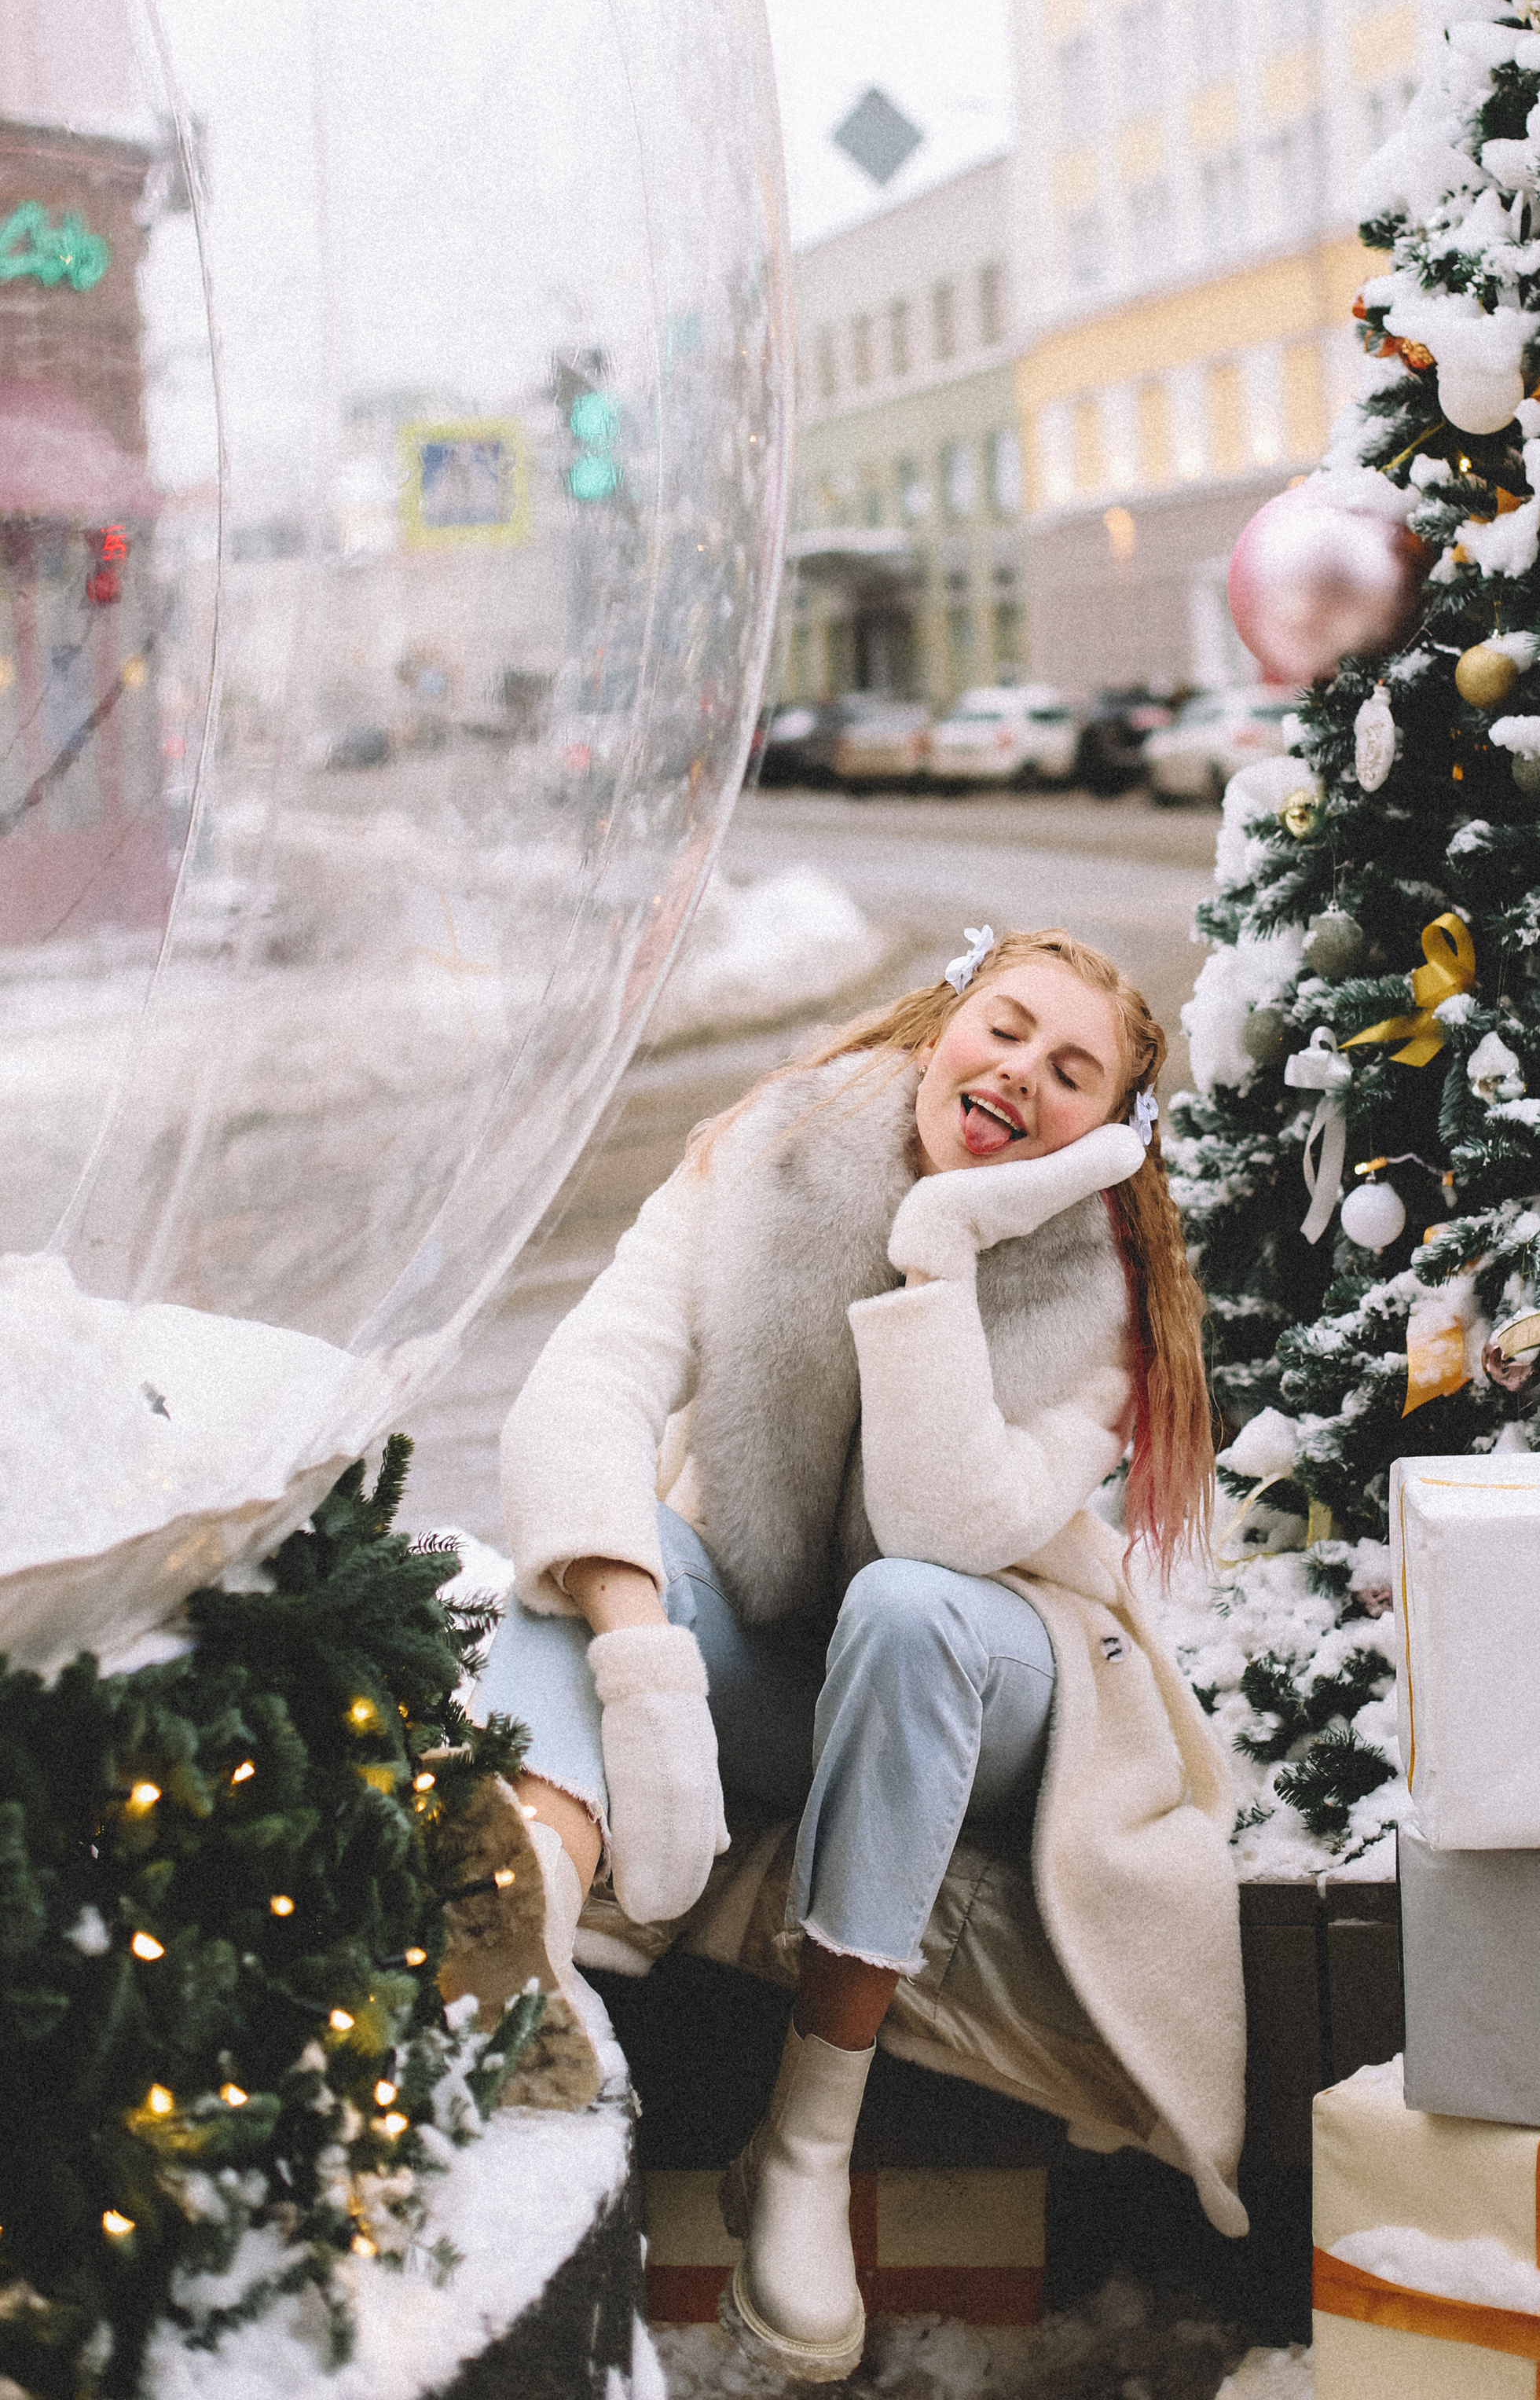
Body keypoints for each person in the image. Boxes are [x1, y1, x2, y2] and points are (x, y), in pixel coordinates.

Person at [490, 924, 1246, 2383]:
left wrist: (944, 1250)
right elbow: (586, 1383)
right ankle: (521, 1956)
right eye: (1008, 1030)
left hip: (994, 1692)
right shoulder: (767, 1155)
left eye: (1073, 1073)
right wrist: (643, 1670)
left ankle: (805, 2146)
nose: (1023, 1075)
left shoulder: (1111, 1297)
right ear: (949, 1019)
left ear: (1106, 1137)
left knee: (904, 1605)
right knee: (590, 1548)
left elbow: (947, 1528)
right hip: (791, 1673)